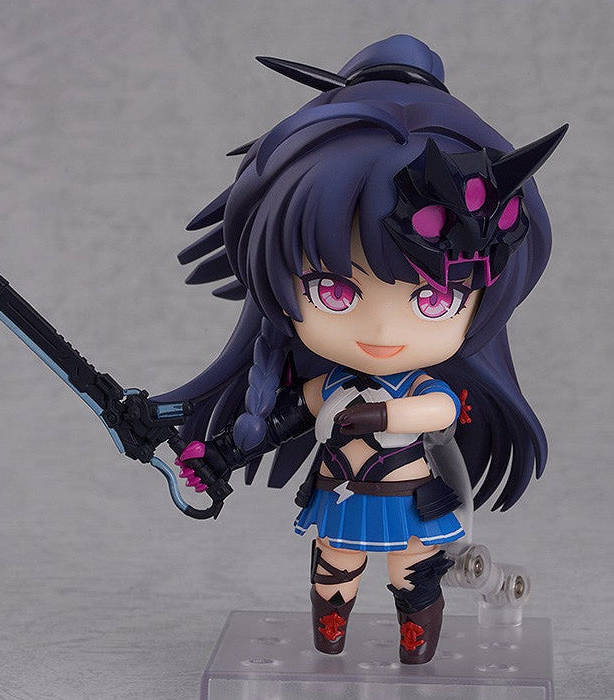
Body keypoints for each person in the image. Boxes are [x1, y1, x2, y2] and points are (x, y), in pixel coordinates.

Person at [159, 34, 566, 664]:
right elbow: (282, 419)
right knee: (333, 573)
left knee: (414, 579)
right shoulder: (329, 388)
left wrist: (377, 414)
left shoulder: (416, 390)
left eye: (432, 299)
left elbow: (435, 411)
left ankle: (414, 651)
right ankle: (330, 639)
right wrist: (219, 455)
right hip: (342, 498)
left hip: (413, 502)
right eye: (334, 290)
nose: (379, 329)